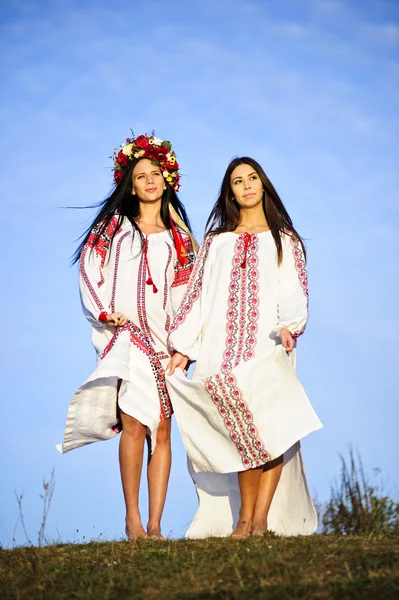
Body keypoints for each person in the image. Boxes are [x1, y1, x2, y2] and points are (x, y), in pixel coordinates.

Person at [166, 157, 322, 538]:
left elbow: (294, 288)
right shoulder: (217, 242)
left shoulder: (285, 239)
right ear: (230, 192)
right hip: (223, 347)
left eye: (253, 178)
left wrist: (290, 327)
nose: (247, 185)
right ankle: (242, 520)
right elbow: (198, 295)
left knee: (271, 431)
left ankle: (259, 521)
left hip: (268, 345)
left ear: (263, 184)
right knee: (239, 432)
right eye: (238, 181)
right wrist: (184, 347)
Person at [57, 133, 198, 540]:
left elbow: (190, 294)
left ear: (167, 178)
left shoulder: (182, 238)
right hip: (126, 337)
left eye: (156, 173)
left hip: (166, 345)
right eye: (141, 176)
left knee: (164, 431)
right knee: (134, 423)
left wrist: (184, 348)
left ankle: (156, 525)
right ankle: (133, 520)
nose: (150, 181)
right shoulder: (112, 228)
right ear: (130, 184)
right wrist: (104, 310)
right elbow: (88, 268)